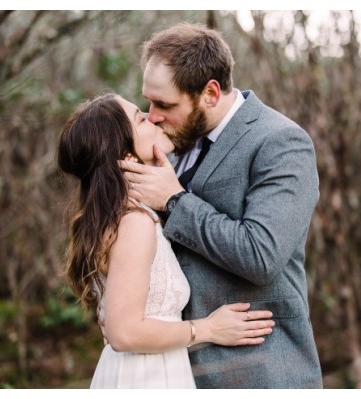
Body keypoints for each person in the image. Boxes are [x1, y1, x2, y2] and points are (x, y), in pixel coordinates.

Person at [120, 23, 323, 388]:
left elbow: (262, 255)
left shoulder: (281, 142)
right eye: (148, 102)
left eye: (165, 104)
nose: (152, 115)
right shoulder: (170, 141)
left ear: (210, 93)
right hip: (173, 371)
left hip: (258, 372)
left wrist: (174, 200)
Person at [58, 93, 275, 388]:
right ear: (127, 157)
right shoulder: (134, 222)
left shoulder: (128, 215)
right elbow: (124, 334)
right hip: (145, 378)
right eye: (139, 118)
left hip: (154, 370)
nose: (152, 117)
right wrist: (208, 329)